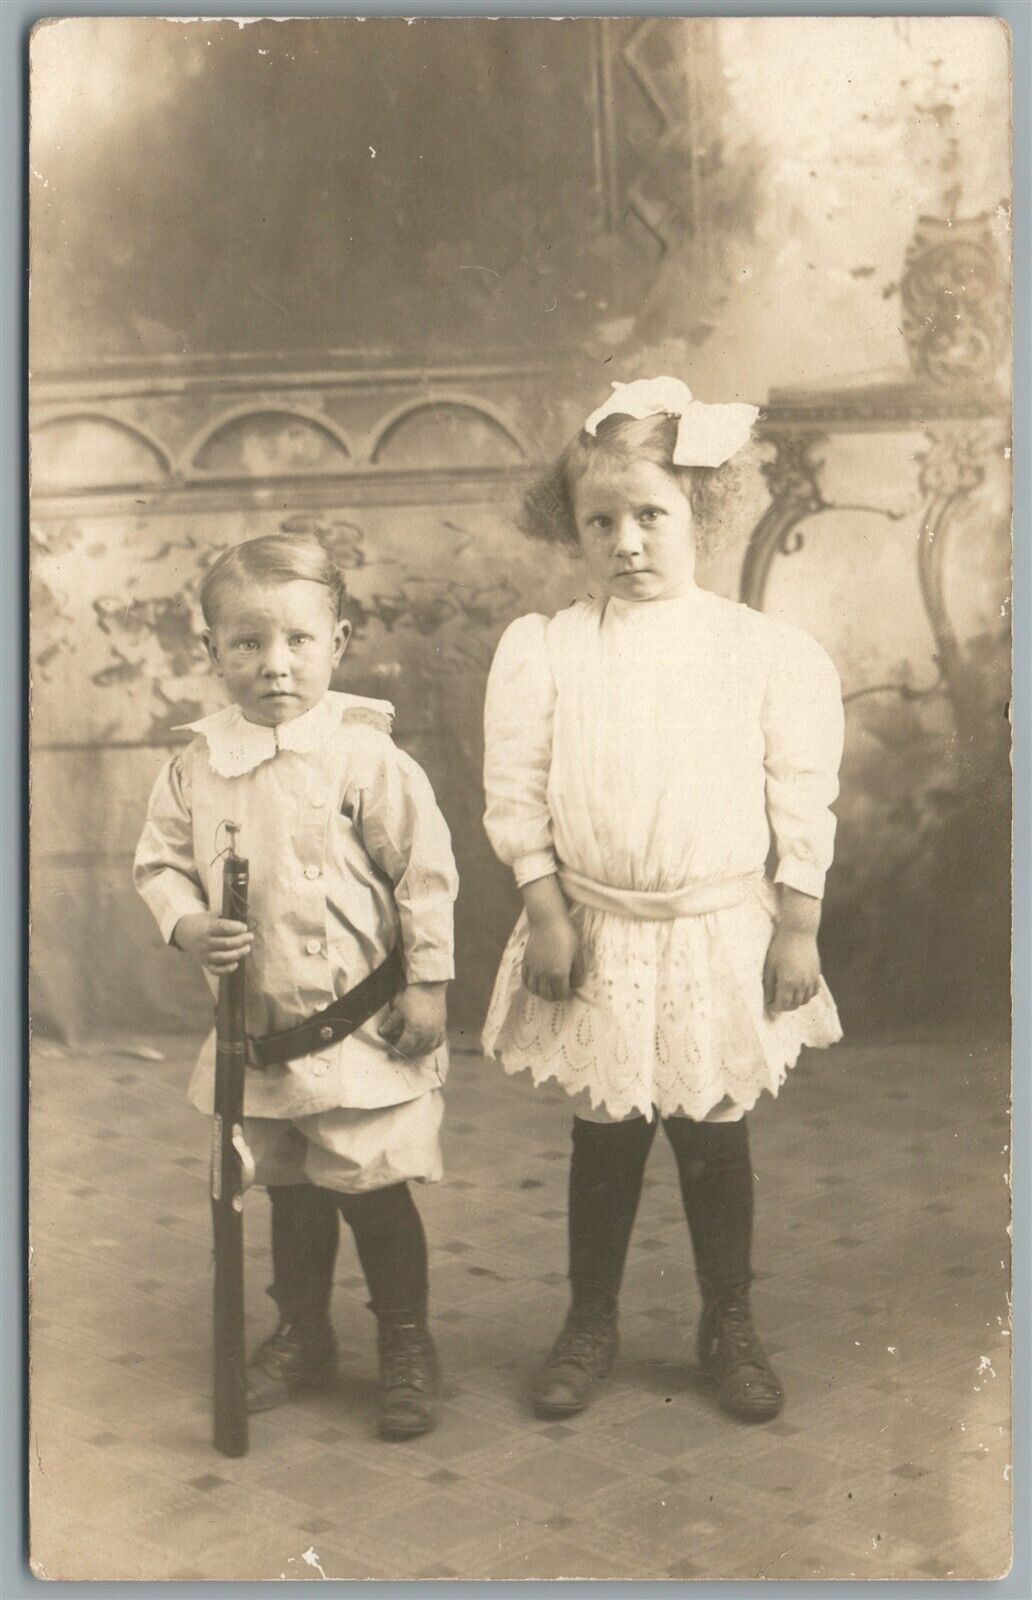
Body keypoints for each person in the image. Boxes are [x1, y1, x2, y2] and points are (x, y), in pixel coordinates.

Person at [482, 377, 844, 1424]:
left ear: (703, 512)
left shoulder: (757, 651)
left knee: (711, 1131)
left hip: (713, 931)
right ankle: (590, 1318)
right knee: (605, 1134)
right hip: (595, 926)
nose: (627, 541)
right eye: (602, 521)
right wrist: (547, 910)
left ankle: (726, 1319)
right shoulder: (549, 649)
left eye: (652, 514)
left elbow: (800, 794)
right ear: (574, 530)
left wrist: (799, 923)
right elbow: (516, 793)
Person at [134, 531, 458, 1441]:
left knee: (373, 1186)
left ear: (340, 641)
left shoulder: (367, 759)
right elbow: (159, 863)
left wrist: (427, 986)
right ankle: (303, 1332)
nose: (274, 666)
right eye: (247, 644)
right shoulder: (196, 764)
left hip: (359, 1029)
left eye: (298, 642)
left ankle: (405, 1338)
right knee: (289, 1187)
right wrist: (188, 921)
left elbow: (423, 877)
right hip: (259, 1032)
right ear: (212, 652)